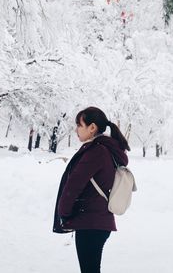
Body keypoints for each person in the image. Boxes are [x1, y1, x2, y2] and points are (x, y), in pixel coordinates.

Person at [53, 106, 130, 273]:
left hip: (90, 224)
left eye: (79, 125)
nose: (76, 130)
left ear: (92, 127)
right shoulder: (106, 149)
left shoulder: (96, 151)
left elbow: (73, 186)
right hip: (98, 222)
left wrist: (64, 213)